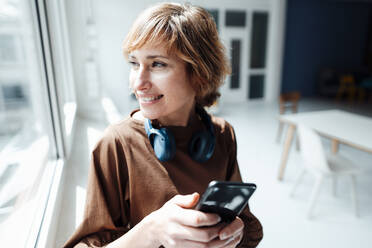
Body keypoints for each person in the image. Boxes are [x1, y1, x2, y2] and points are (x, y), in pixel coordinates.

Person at [64, 2, 263, 248]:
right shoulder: (116, 144)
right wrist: (151, 231)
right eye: (134, 63)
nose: (138, 83)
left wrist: (235, 233)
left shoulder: (223, 134)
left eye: (157, 64)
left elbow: (241, 219)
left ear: (199, 73)